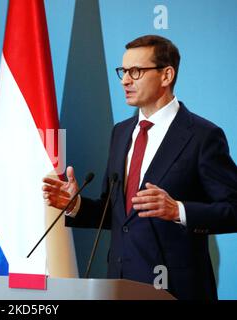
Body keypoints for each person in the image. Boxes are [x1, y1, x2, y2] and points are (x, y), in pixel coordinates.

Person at [43, 35, 237, 300]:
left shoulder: (203, 136)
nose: (125, 80)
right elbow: (117, 215)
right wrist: (75, 205)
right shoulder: (121, 133)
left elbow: (233, 209)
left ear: (166, 75)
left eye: (136, 71)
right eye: (123, 71)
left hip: (177, 289)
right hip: (120, 285)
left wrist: (177, 210)